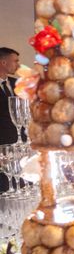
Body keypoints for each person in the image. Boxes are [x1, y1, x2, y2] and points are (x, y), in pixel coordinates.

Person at [0, 47, 21, 193]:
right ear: (3, 62)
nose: (18, 65)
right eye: (15, 61)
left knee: (19, 183)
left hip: (19, 146)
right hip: (1, 145)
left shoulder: (18, 84)